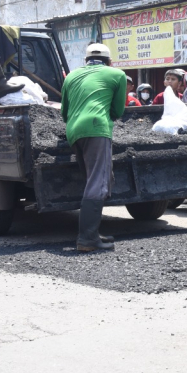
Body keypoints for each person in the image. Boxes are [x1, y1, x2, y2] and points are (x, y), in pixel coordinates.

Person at [61, 43, 127, 252]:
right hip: (97, 129)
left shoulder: (71, 76)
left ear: (86, 61)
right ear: (109, 61)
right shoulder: (117, 75)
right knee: (98, 184)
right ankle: (87, 239)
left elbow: (64, 111)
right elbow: (117, 111)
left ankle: (92, 232)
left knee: (91, 181)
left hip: (73, 130)